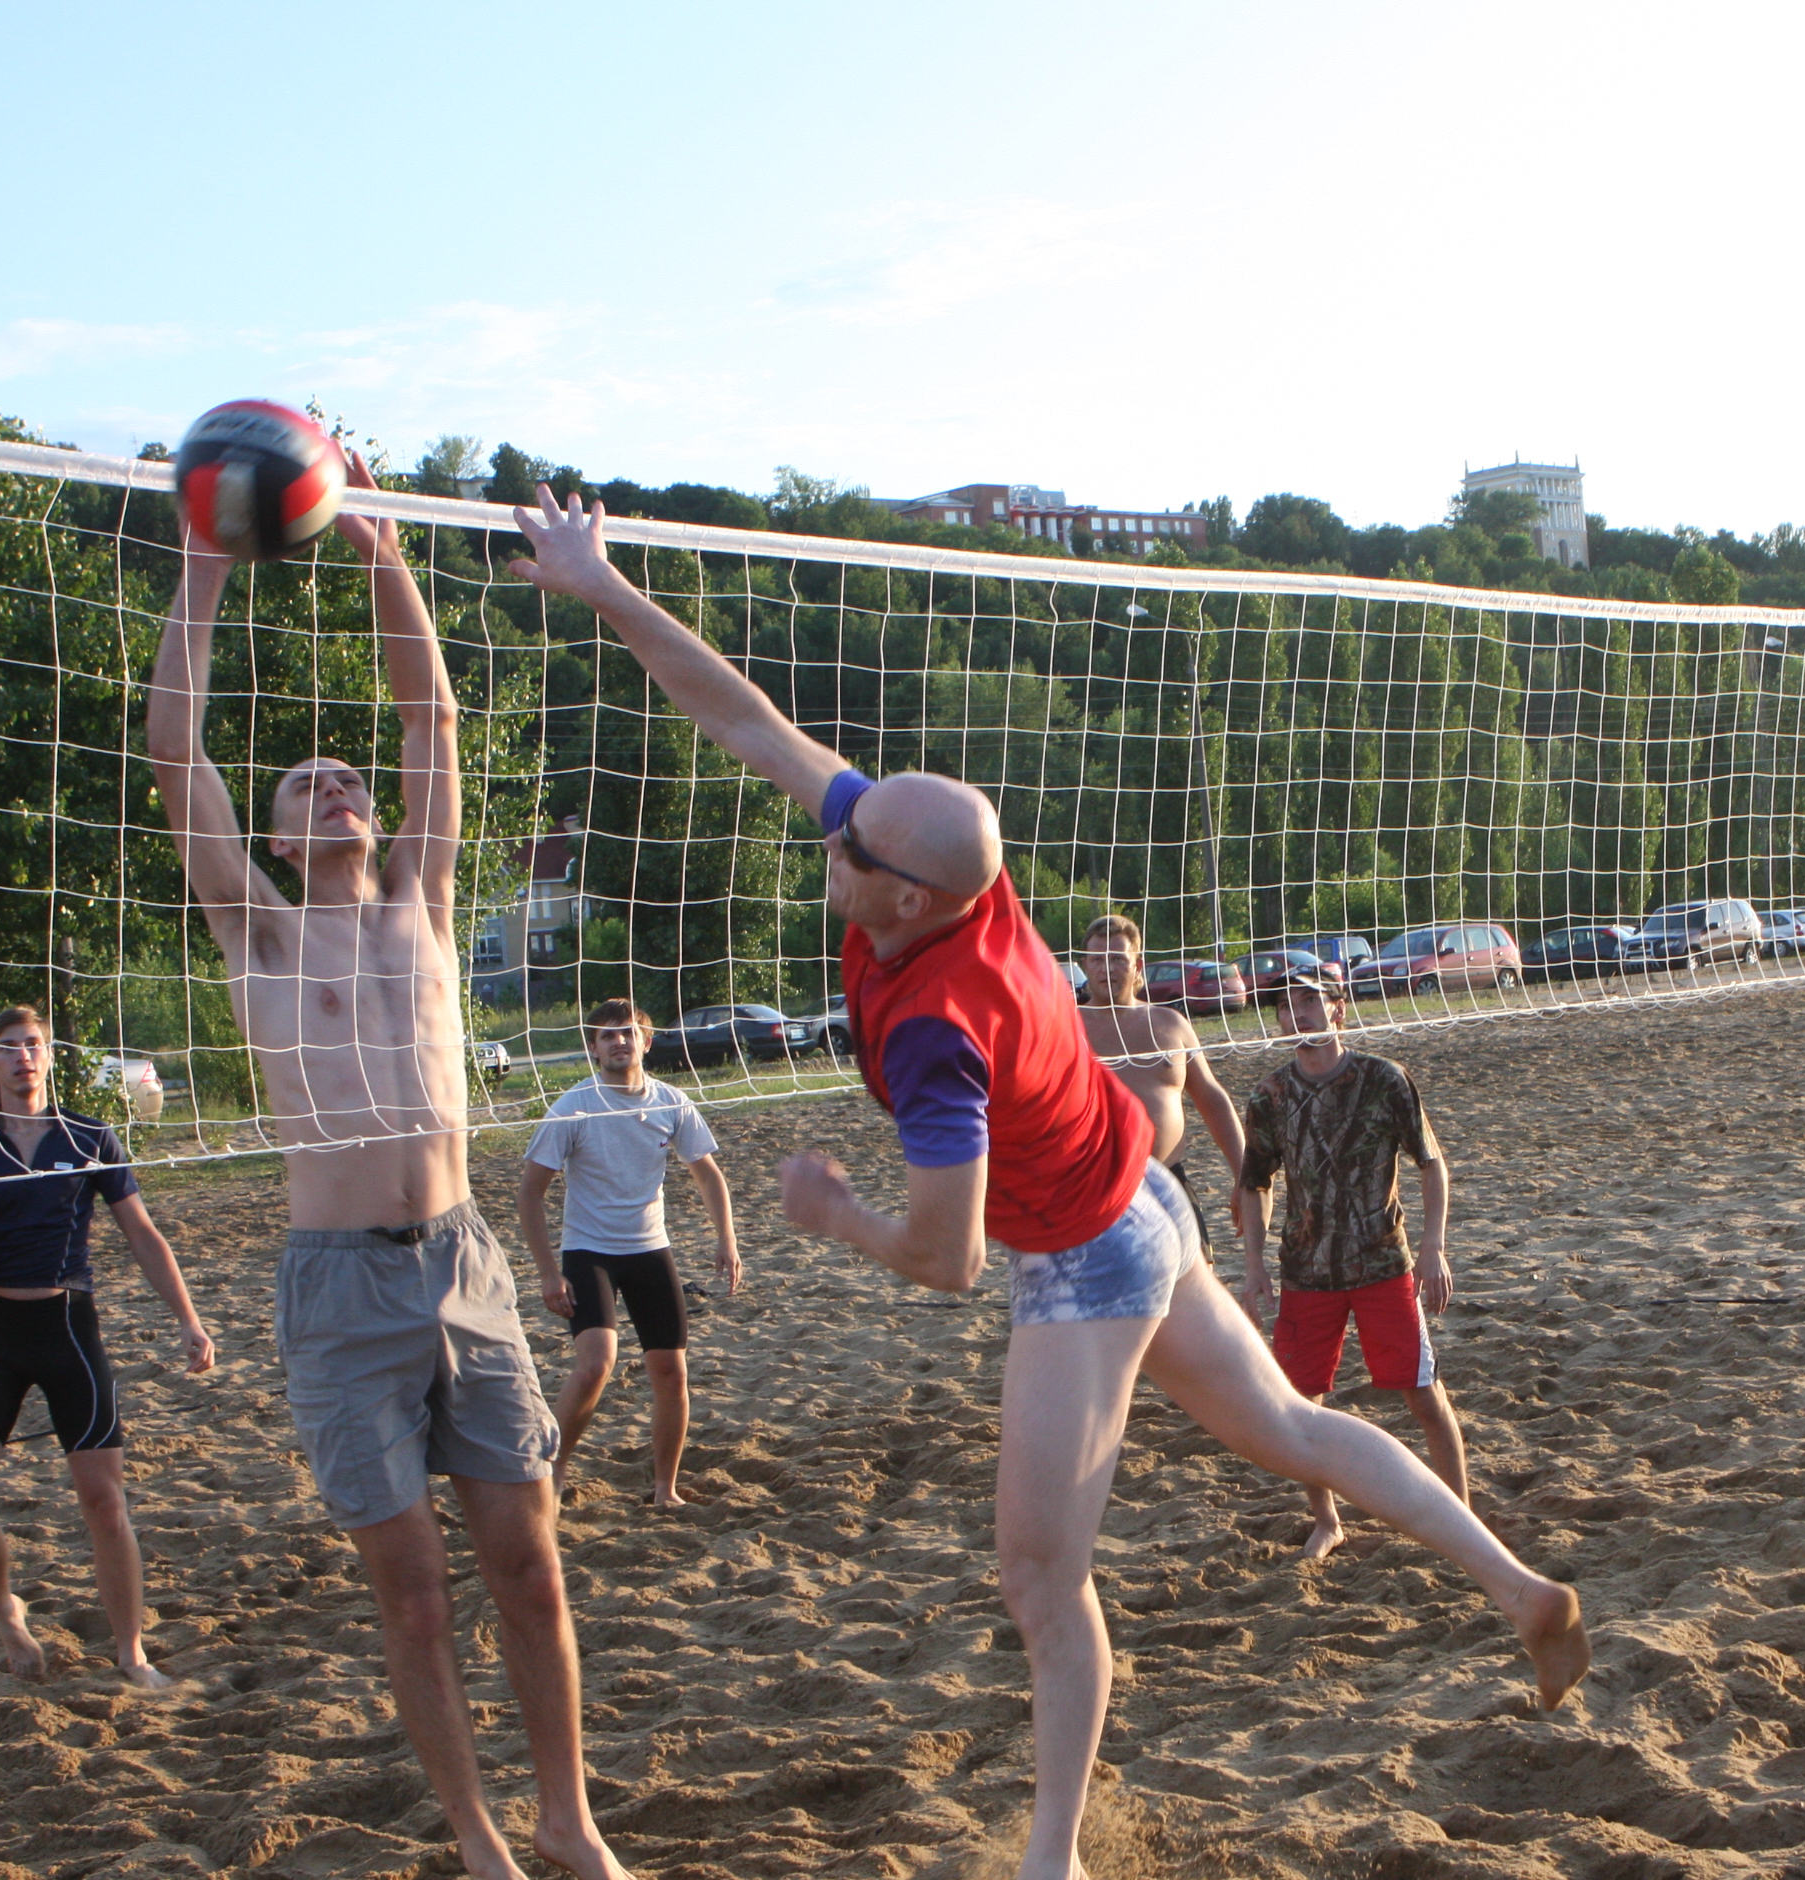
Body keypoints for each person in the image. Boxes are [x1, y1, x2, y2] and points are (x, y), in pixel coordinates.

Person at [509, 485, 1587, 1880]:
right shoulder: (944, 868)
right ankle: (1519, 1586)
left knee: (1038, 1577)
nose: (828, 834)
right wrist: (600, 584)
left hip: (1083, 1258)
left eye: (848, 841)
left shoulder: (941, 1032)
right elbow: (748, 721)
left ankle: (1052, 1862)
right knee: (1288, 1426)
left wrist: (834, 1214)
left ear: (908, 895)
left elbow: (946, 1259)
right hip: (1143, 1204)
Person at [146, 454, 627, 1880]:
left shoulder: (421, 897)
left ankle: (567, 1819)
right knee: (413, 1596)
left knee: (529, 1564)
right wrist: (207, 566)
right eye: (308, 783)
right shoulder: (259, 931)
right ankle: (478, 1837)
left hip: (464, 1264)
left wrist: (385, 556)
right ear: (277, 834)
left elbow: (433, 717)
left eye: (347, 776)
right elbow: (176, 756)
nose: (338, 787)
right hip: (340, 1289)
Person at [0, 1004, 215, 1688]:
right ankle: (7, 1613)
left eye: (33, 1044)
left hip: (69, 1328)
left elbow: (142, 1233)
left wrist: (188, 1319)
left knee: (104, 1502)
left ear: (49, 1055)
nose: (22, 1056)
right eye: (9, 1047)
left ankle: (131, 1655)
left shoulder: (90, 1136)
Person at [1237, 975, 1470, 1559]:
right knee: (1300, 1408)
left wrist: (1434, 1246)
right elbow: (1255, 1183)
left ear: (1338, 1009)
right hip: (1306, 1271)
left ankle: (1463, 1519)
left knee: (1423, 1395)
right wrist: (1253, 1262)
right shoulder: (1270, 1094)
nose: (1298, 1012)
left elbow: (1431, 1163)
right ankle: (1327, 1522)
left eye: (1310, 999)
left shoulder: (1383, 1078)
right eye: (1286, 1005)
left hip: (1383, 1263)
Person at [519, 999, 741, 1507]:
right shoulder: (574, 1106)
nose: (620, 1041)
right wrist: (549, 1273)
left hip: (649, 1248)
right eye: (608, 1035)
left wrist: (726, 1238)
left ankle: (665, 1490)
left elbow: (708, 1174)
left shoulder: (671, 1102)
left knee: (671, 1370)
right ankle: (552, 1473)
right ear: (593, 1048)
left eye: (628, 1033)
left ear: (647, 1041)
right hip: (588, 1250)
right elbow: (530, 1193)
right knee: (596, 1364)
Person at [1075, 912, 1249, 1257]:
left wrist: (1244, 1174)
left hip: (1168, 1179)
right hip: (1092, 1188)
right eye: (1097, 960)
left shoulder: (1169, 1023)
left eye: (1118, 959)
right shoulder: (1066, 1026)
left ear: (1137, 964)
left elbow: (1212, 1099)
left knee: (1197, 1278)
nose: (1107, 968)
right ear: (1084, 966)